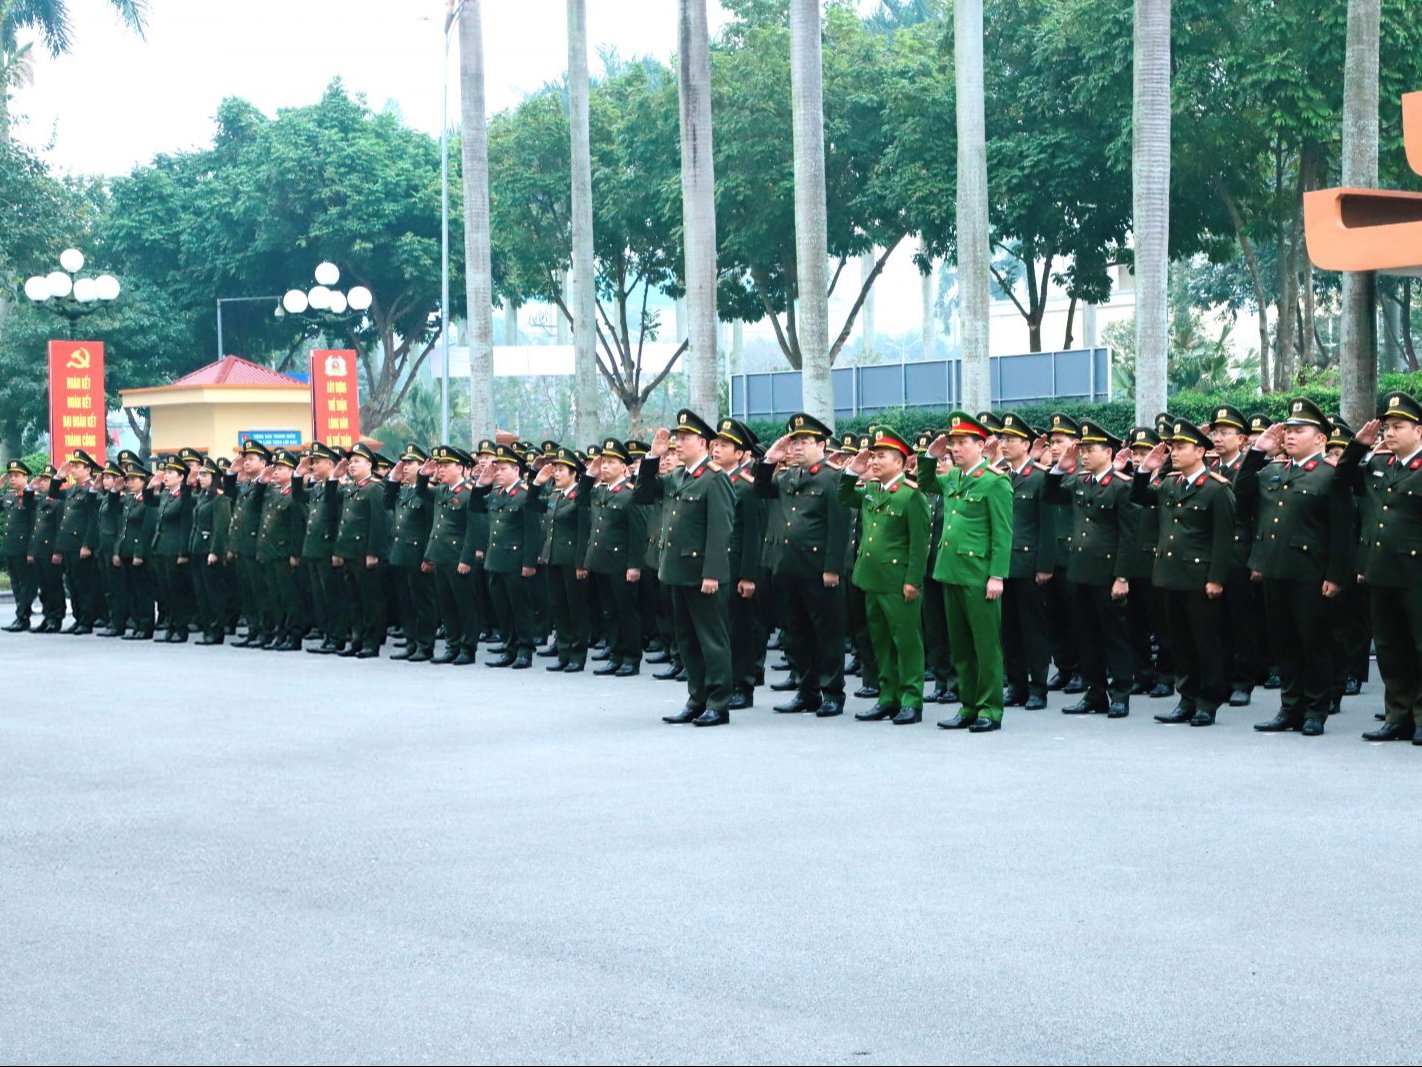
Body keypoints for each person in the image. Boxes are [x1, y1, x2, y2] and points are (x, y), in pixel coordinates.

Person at [1244, 399, 1352, 736]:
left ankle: (1315, 711)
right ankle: (1290, 707)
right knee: (1284, 644)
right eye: (1287, 431)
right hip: (1276, 569)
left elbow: (1342, 530)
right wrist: (1256, 453)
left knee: (1314, 644)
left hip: (1311, 573)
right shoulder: (1274, 471)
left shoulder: (1330, 475)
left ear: (1320, 438)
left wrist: (1336, 576)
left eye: (1298, 431)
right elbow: (1241, 496)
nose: (1289, 436)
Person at [1130, 422, 1236, 726]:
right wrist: (1144, 470)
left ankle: (1208, 701)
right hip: (1169, 576)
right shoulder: (1170, 484)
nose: (1174, 453)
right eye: (1172, 448)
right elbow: (1140, 497)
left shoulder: (1217, 489)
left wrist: (1216, 578)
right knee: (1179, 642)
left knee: (1205, 642)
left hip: (1199, 579)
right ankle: (1187, 698)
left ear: (1200, 451)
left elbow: (1224, 538)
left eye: (1180, 448)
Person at [637, 411, 737, 727]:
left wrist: (712, 573)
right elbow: (643, 493)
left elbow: (721, 530)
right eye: (677, 439)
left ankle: (718, 703)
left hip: (701, 574)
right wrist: (653, 456)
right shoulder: (677, 477)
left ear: (703, 443)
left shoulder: (715, 478)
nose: (678, 444)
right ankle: (697, 698)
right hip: (676, 571)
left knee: (711, 640)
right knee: (687, 640)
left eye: (685, 439)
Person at [1335, 395, 1422, 745]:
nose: (1390, 433)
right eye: (1387, 427)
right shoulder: (1378, 465)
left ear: (1419, 430)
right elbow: (1341, 477)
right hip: (1380, 571)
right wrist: (1358, 446)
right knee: (1390, 648)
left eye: (1398, 427)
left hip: (1416, 573)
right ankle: (1397, 716)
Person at [920, 413, 1013, 731]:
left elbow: (1002, 532)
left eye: (962, 443)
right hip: (951, 571)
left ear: (981, 446)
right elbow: (925, 482)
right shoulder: (953, 478)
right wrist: (929, 456)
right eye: (953, 443)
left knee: (985, 645)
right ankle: (968, 704)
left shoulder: (994, 481)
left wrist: (997, 575)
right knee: (959, 644)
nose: (955, 449)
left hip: (978, 574)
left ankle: (990, 708)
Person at [755, 412, 850, 719]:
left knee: (826, 633)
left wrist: (833, 567)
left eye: (804, 442)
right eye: (793, 442)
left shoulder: (833, 478)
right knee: (795, 632)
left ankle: (832, 692)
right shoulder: (786, 477)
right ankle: (806, 690)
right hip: (786, 567)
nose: (796, 447)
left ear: (821, 445)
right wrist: (771, 457)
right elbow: (760, 488)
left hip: (817, 568)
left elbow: (840, 527)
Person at [837, 426, 931, 725]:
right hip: (871, 579)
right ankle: (887, 696)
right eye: (874, 456)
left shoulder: (910, 496)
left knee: (906, 642)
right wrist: (853, 469)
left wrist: (913, 580)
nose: (875, 462)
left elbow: (919, 544)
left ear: (901, 463)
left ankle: (911, 700)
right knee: (880, 642)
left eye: (882, 457)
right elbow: (843, 495)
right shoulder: (872, 491)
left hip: (897, 581)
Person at [1044, 419, 1136, 718]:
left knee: (1114, 636)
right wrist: (1062, 466)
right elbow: (1052, 493)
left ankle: (1120, 692)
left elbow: (1128, 535)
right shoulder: (1080, 481)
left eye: (1090, 449)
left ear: (1108, 452)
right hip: (1080, 571)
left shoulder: (1122, 486)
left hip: (1107, 574)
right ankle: (1095, 692)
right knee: (1087, 635)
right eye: (1082, 449)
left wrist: (1122, 576)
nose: (1084, 454)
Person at [998, 413, 1053, 710]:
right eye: (1003, 439)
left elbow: (1048, 525)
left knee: (1033, 630)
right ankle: (1016, 685)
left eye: (1011, 440)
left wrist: (1044, 565)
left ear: (1026, 444)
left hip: (1029, 565)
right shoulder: (999, 477)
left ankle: (1037, 687)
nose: (1004, 445)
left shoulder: (1040, 478)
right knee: (1009, 630)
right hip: (1002, 566)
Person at [710, 418, 764, 709]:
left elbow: (753, 535)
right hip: (718, 565)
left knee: (740, 628)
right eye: (716, 444)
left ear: (742, 454)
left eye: (725, 445)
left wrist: (748, 576)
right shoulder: (717, 479)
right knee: (721, 627)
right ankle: (725, 682)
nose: (717, 449)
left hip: (737, 565)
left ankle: (744, 685)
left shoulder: (746, 486)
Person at [1208, 404, 1261, 706]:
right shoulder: (1208, 468)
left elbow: (1257, 514)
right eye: (1215, 432)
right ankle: (1223, 677)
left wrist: (1256, 559)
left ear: (1242, 439)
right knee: (1216, 623)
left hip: (1240, 552)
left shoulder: (1249, 469)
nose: (1218, 438)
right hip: (1212, 554)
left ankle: (1243, 681)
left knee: (1242, 621)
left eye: (1225, 433)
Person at [584, 439, 646, 676]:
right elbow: (580, 499)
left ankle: (631, 657)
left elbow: (637, 532)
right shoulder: (599, 491)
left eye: (611, 462)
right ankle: (615, 654)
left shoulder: (630, 494)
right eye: (604, 462)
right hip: (601, 561)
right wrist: (590, 474)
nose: (606, 466)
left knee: (626, 611)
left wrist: (634, 565)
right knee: (608, 611)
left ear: (624, 467)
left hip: (621, 564)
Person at [480, 443, 544, 669]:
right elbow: (475, 508)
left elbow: (533, 532)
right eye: (496, 469)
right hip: (495, 560)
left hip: (516, 562)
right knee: (502, 608)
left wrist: (529, 563)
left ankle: (525, 649)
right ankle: (510, 647)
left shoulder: (524, 496)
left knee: (520, 607)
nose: (497, 473)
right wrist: (481, 485)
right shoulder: (496, 494)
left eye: (502, 469)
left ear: (516, 470)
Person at [422, 446, 485, 666]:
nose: (440, 469)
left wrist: (466, 559)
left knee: (465, 606)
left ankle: (468, 648)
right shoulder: (442, 491)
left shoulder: (469, 493)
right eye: (439, 465)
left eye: (445, 465)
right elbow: (421, 492)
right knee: (447, 605)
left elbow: (473, 528)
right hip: (441, 556)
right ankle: (452, 645)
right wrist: (423, 475)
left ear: (460, 467)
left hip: (458, 558)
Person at [534, 446, 593, 673]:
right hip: (552, 558)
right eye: (555, 470)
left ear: (573, 474)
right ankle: (564, 651)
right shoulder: (554, 495)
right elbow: (532, 504)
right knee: (559, 607)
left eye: (561, 470)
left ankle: (578, 655)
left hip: (571, 560)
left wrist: (581, 563)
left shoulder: (580, 496)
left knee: (575, 609)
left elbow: (583, 532)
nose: (556, 474)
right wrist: (538, 482)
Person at [332, 441, 391, 659]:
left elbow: (378, 523)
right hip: (348, 551)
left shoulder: (375, 489)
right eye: (351, 462)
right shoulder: (350, 489)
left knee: (369, 600)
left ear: (369, 464)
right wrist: (334, 477)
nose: (352, 465)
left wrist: (373, 553)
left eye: (357, 461)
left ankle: (370, 642)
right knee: (354, 600)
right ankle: (356, 638)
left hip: (364, 552)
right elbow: (336, 510)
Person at [292, 444, 348, 654]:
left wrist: (338, 551)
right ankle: (327, 634)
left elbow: (340, 520)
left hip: (328, 548)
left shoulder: (340, 489)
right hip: (313, 549)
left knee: (333, 595)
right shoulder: (317, 488)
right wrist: (298, 474)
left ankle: (337, 636)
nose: (313, 466)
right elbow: (298, 496)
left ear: (331, 465)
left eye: (317, 462)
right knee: (320, 596)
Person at [386, 445, 437, 662]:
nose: (405, 468)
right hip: (400, 555)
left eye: (410, 464)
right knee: (405, 603)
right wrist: (392, 480)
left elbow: (430, 526)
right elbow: (386, 503)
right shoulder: (403, 490)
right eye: (404, 463)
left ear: (423, 466)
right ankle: (410, 641)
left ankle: (425, 645)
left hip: (418, 555)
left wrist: (428, 556)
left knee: (422, 603)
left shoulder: (428, 492)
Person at [254, 449, 307, 650]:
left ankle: (293, 635)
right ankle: (280, 633)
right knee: (275, 597)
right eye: (275, 467)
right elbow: (255, 503)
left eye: (281, 468)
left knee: (290, 597)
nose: (276, 471)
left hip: (285, 553)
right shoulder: (272, 493)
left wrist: (295, 553)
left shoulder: (295, 495)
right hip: (270, 552)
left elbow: (297, 526)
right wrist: (262, 481)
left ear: (292, 471)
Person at [54, 451, 103, 633]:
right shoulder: (73, 490)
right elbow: (54, 493)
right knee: (72, 584)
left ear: (88, 469)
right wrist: (59, 476)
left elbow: (93, 519)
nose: (73, 470)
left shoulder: (92, 490)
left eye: (77, 467)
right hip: (68, 544)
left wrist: (87, 544)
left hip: (81, 544)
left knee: (84, 585)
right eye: (72, 466)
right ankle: (77, 617)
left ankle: (87, 620)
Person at [147, 456, 195, 643]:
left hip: (175, 549)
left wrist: (184, 552)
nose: (166, 476)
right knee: (166, 590)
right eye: (166, 472)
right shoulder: (166, 495)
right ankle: (171, 627)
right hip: (161, 547)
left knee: (177, 591)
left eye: (170, 473)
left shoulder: (184, 498)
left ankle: (180, 629)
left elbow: (185, 526)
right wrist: (152, 485)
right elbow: (149, 500)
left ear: (181, 477)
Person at [190, 457, 232, 645]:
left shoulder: (219, 498)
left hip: (209, 551)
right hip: (198, 549)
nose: (201, 478)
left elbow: (220, 527)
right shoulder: (202, 497)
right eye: (200, 475)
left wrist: (215, 551)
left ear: (214, 477)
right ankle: (207, 627)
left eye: (205, 475)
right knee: (201, 592)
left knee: (213, 593)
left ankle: (216, 630)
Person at [27, 464, 66, 632]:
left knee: (54, 586)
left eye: (46, 480)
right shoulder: (41, 500)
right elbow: (27, 504)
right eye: (41, 479)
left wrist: (58, 551)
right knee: (44, 587)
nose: (42, 483)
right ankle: (47, 616)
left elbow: (60, 528)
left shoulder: (59, 502)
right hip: (39, 552)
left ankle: (56, 619)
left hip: (51, 552)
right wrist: (30, 487)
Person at [2, 460, 38, 632]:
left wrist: (31, 550)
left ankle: (23, 617)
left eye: (17, 476)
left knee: (26, 584)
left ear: (25, 477)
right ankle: (20, 615)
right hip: (10, 547)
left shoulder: (32, 498)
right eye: (10, 476)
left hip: (24, 548)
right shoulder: (9, 497)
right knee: (16, 583)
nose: (13, 479)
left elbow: (33, 526)